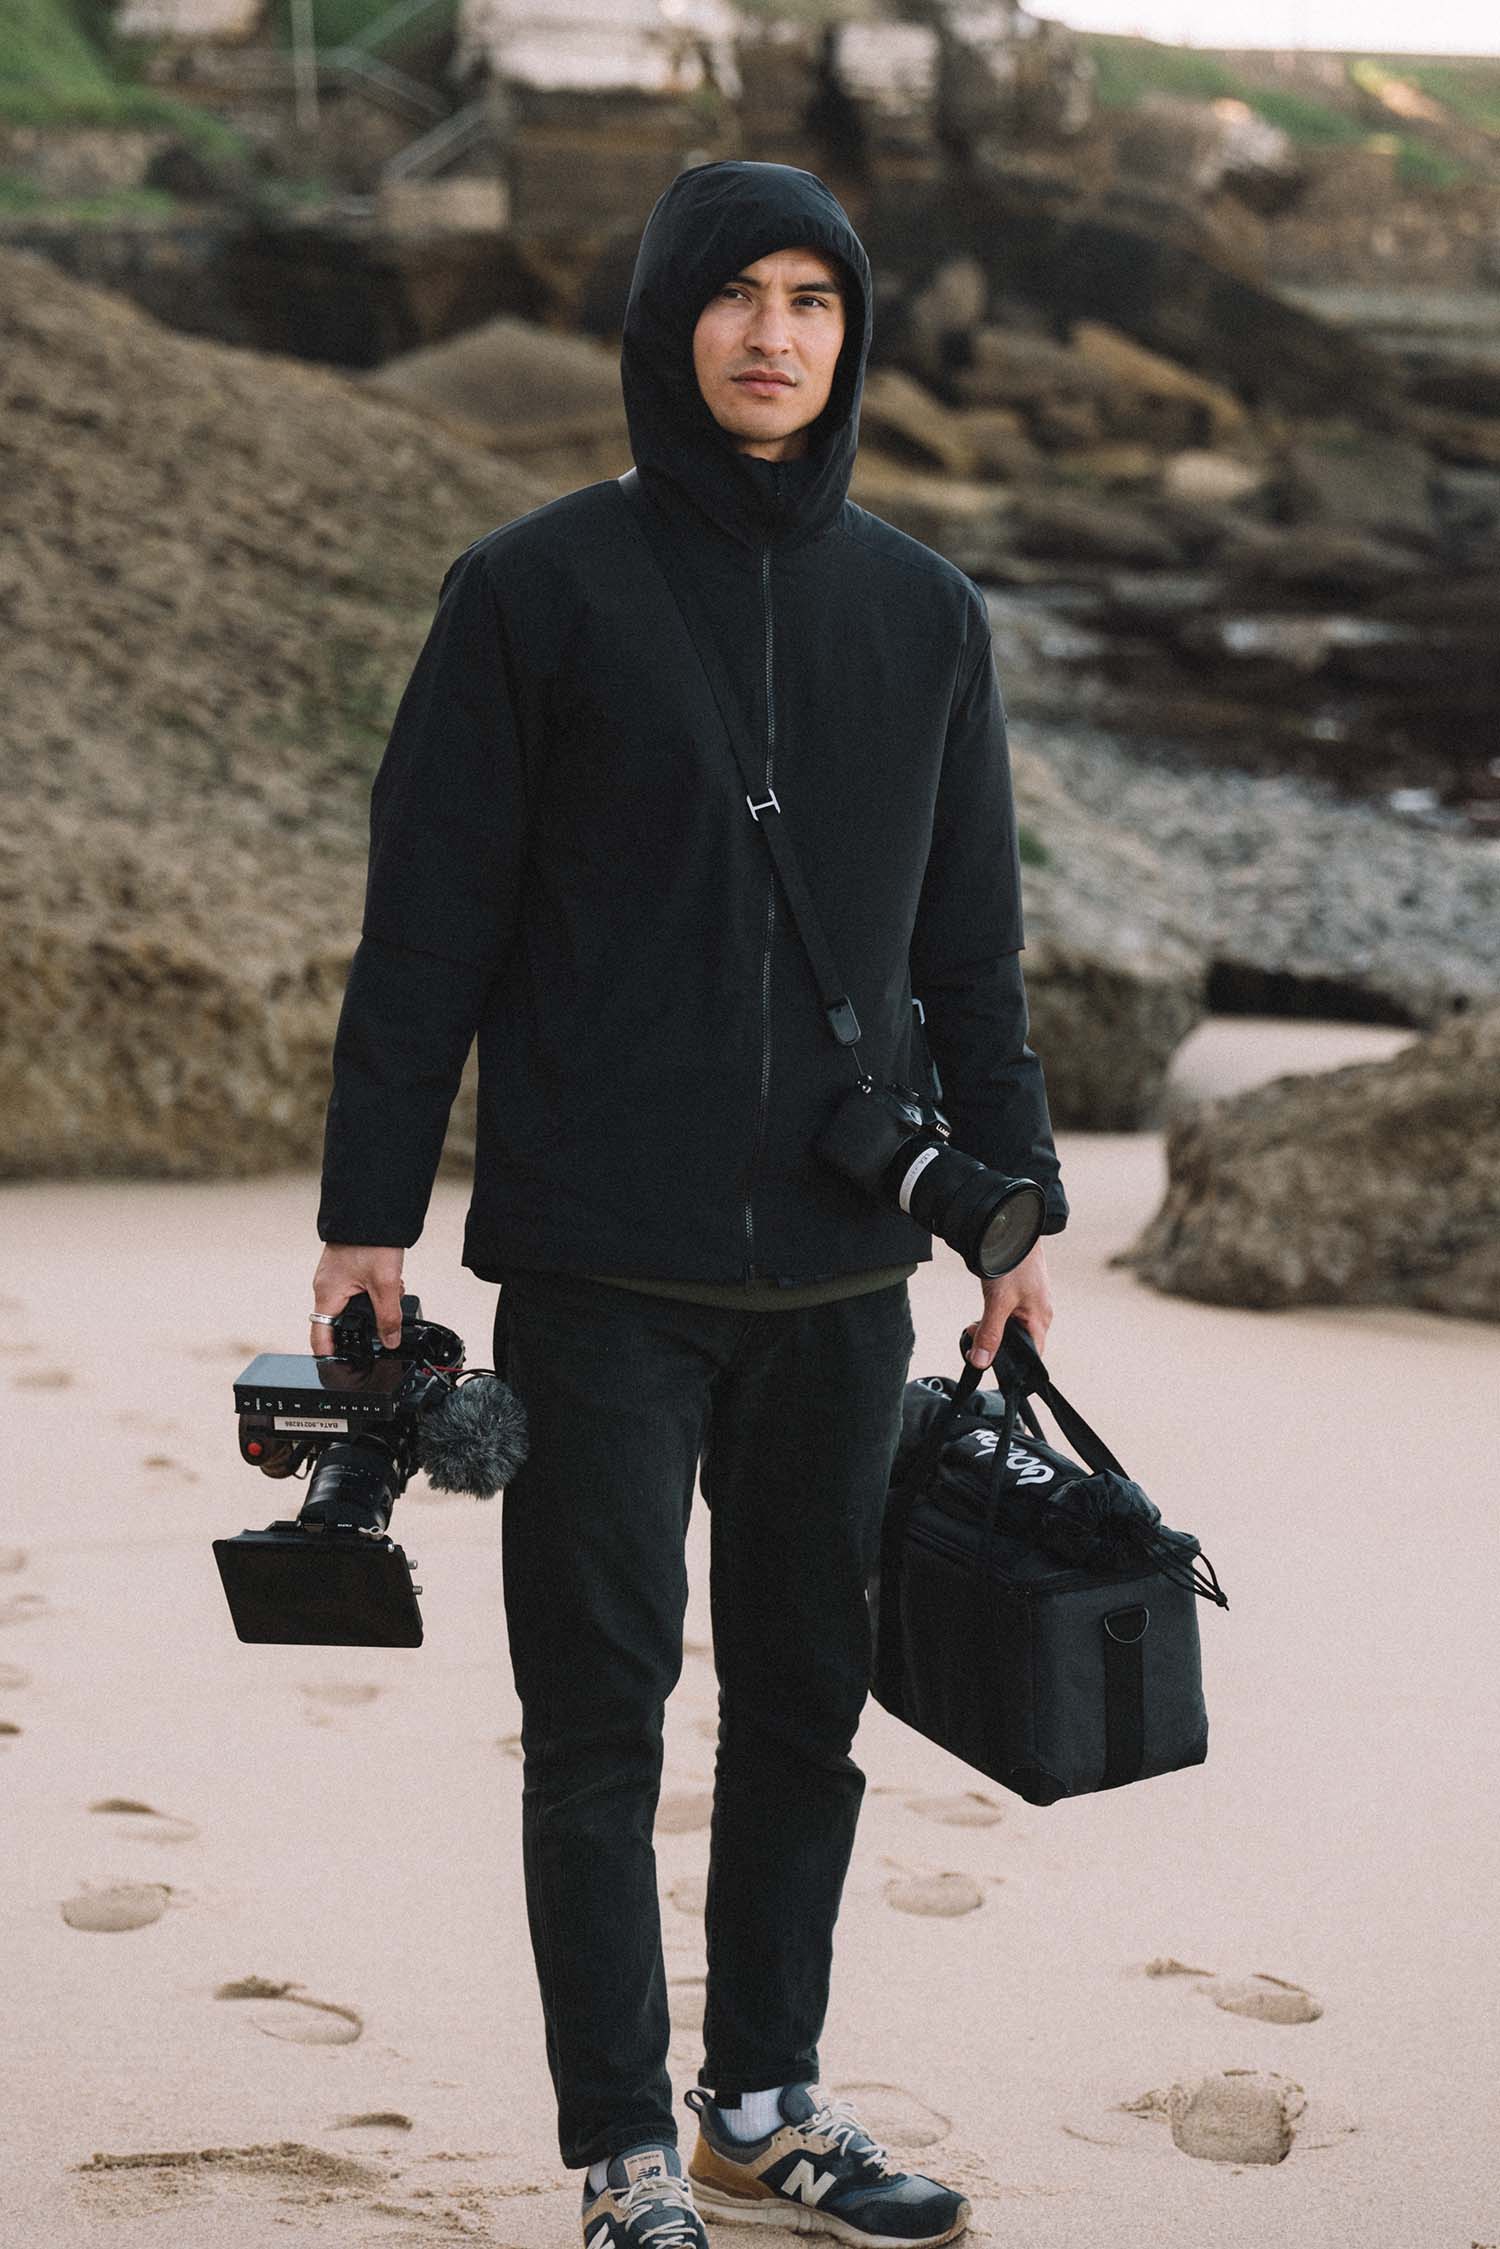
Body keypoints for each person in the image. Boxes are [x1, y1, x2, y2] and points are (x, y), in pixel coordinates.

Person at [313, 160, 1067, 2249]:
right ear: (668, 321)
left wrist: (1013, 1222)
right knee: (597, 1722)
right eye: (738, 294)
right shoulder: (530, 591)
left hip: (839, 1273)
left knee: (808, 1710)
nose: (775, 333)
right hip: (597, 1267)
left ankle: (761, 2105)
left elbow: (972, 954)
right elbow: (427, 928)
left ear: (851, 338)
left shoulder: (925, 615)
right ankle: (620, 2151)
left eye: (814, 299)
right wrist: (369, 1211)